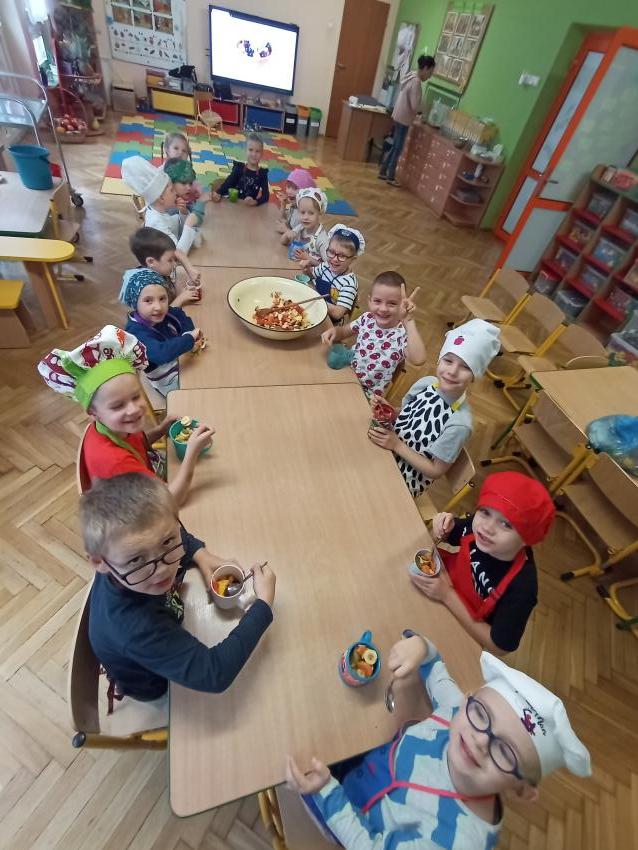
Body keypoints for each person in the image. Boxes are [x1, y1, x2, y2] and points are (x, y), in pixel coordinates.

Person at [287, 634, 591, 849]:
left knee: (285, 750)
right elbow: (434, 666)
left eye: (506, 752)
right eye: (482, 714)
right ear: (468, 699)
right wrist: (421, 646)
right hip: (370, 762)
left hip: (349, 811)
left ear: (521, 790)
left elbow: (368, 844)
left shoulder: (455, 841)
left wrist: (326, 792)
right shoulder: (459, 713)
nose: (479, 741)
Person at [81, 472, 276, 704]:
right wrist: (263, 605)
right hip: (154, 683)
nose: (162, 570)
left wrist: (202, 556)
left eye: (167, 542)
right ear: (99, 562)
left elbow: (177, 533)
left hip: (163, 630)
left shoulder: (121, 556)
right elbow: (215, 673)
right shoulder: (135, 629)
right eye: (136, 560)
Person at [36, 325, 212, 505]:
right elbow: (171, 501)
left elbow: (137, 444)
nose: (133, 409)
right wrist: (191, 454)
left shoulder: (114, 425)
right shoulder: (115, 462)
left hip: (147, 477)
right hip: (147, 508)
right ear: (93, 413)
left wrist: (161, 428)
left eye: (136, 396)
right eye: (118, 406)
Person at [415, 472, 555, 655]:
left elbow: (499, 647)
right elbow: (453, 534)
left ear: (527, 539)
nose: (487, 527)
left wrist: (447, 596)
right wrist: (443, 526)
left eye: (506, 524)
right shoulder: (480, 529)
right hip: (435, 582)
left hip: (459, 629)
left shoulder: (522, 588)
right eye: (485, 512)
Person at [368, 319, 501, 496]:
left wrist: (396, 445)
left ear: (474, 375)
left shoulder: (458, 424)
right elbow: (407, 415)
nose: (452, 371)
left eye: (465, 367)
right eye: (448, 360)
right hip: (387, 449)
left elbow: (435, 471)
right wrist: (391, 411)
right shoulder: (426, 383)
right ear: (439, 360)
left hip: (404, 480)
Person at [321, 271, 426, 396]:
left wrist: (409, 321)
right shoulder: (367, 318)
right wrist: (334, 331)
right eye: (377, 301)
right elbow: (344, 332)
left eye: (392, 303)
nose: (383, 309)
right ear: (369, 301)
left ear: (401, 306)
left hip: (369, 392)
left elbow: (418, 359)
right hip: (348, 371)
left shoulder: (402, 334)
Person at [123, 269, 204, 396]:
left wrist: (187, 333)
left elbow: (181, 316)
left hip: (181, 360)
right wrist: (189, 338)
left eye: (162, 299)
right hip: (167, 380)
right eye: (148, 301)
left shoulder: (165, 312)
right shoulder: (135, 333)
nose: (158, 307)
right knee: (196, 395)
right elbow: (161, 354)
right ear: (135, 303)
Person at [122, 155, 200, 255]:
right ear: (161, 198)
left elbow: (175, 226)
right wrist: (189, 225)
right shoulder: (156, 223)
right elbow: (178, 255)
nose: (175, 193)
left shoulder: (160, 212)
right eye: (172, 190)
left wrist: (183, 213)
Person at [379, 54, 436, 186]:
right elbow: (415, 105)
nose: (430, 76)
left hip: (399, 115)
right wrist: (424, 111)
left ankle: (383, 171)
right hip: (404, 118)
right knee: (398, 148)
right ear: (425, 68)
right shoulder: (416, 82)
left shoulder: (411, 75)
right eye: (430, 72)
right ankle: (390, 176)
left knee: (395, 146)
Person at [121, 226, 201, 310]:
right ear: (151, 262)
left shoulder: (157, 270)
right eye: (170, 260)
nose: (174, 264)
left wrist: (182, 293)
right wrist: (181, 298)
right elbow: (163, 313)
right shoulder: (151, 288)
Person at [312, 224, 365, 324]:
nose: (334, 259)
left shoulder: (349, 284)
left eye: (342, 256)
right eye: (331, 252)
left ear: (352, 260)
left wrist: (316, 300)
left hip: (330, 322)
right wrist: (306, 267)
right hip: (314, 309)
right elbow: (312, 274)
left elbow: (338, 313)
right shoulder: (326, 266)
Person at [211, 132, 269, 206]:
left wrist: (255, 202)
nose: (254, 154)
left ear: (262, 154)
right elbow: (227, 184)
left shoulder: (262, 174)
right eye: (250, 150)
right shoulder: (239, 169)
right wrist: (218, 193)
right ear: (245, 151)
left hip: (248, 208)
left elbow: (266, 196)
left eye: (257, 151)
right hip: (233, 206)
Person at [163, 158, 210, 247]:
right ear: (171, 183)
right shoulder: (170, 207)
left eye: (190, 183)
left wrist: (185, 212)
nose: (188, 188)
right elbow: (192, 226)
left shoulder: (179, 199)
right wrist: (200, 203)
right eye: (184, 183)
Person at [282, 187, 329, 271]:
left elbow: (328, 267)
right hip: (295, 267)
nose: (305, 217)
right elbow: (283, 242)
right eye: (302, 212)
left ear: (319, 213)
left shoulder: (322, 240)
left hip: (312, 275)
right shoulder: (301, 227)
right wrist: (287, 234)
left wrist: (308, 258)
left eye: (311, 213)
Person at [276, 168, 316, 234]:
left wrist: (286, 230)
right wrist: (283, 204)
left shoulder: (306, 215)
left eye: (295, 188)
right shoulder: (295, 206)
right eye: (288, 187)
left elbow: (302, 238)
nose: (289, 191)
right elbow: (282, 220)